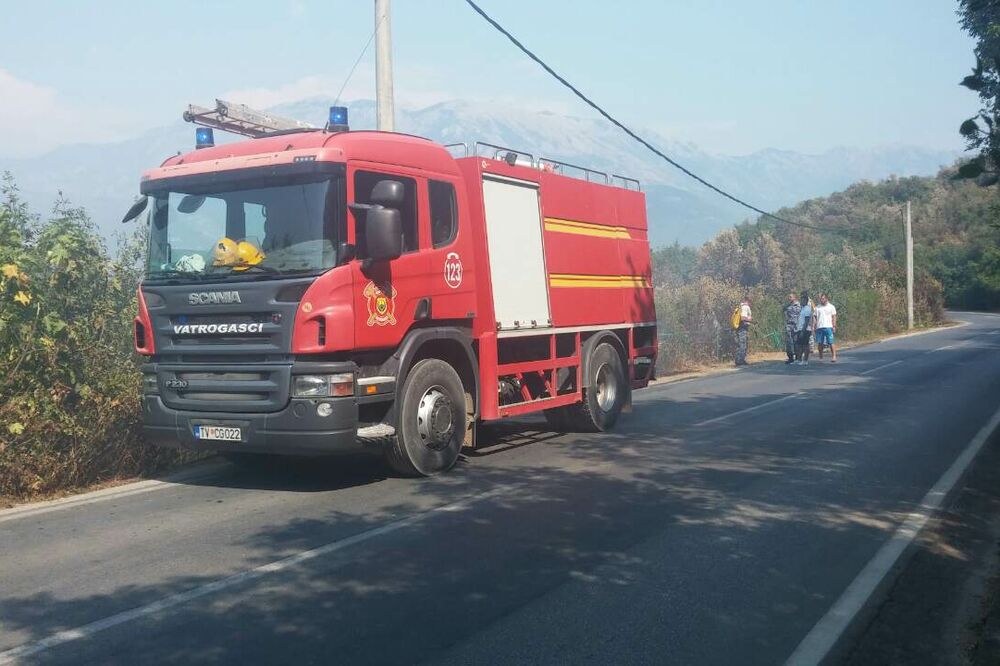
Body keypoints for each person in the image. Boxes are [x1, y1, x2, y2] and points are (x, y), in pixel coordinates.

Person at [815, 293, 838, 362]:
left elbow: (834, 317)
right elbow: (815, 317)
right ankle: (821, 357)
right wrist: (814, 326)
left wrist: (834, 326)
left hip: (828, 327)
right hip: (819, 327)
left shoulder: (831, 307)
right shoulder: (817, 307)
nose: (821, 300)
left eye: (823, 299)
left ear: (826, 299)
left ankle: (834, 356)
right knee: (820, 343)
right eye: (820, 299)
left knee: (831, 342)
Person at [795, 291, 814, 365]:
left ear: (806, 301)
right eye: (801, 300)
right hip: (800, 329)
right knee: (799, 345)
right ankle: (799, 360)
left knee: (805, 345)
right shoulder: (802, 308)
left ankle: (805, 360)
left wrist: (803, 331)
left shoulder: (807, 309)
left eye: (802, 300)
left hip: (805, 330)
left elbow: (806, 321)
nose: (801, 301)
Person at [735, 294, 753, 366]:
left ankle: (741, 360)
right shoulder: (745, 307)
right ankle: (740, 361)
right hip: (742, 328)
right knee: (743, 344)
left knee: (742, 344)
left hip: (740, 327)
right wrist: (750, 320)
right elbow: (743, 318)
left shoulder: (740, 306)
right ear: (748, 300)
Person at [783, 292, 801, 364]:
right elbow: (783, 311)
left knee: (796, 341)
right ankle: (790, 358)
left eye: (790, 297)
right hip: (789, 325)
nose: (789, 298)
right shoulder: (787, 305)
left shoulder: (799, 305)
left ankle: (797, 357)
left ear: (794, 297)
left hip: (796, 325)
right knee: (788, 342)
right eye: (789, 297)